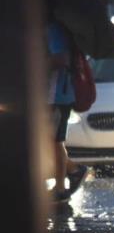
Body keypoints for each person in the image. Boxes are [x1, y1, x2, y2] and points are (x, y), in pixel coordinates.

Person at [47, 15, 88, 203]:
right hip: (50, 95)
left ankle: (61, 186)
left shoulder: (53, 29)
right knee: (50, 140)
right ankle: (72, 170)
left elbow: (61, 59)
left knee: (52, 140)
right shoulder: (47, 29)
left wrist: (33, 65)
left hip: (56, 95)